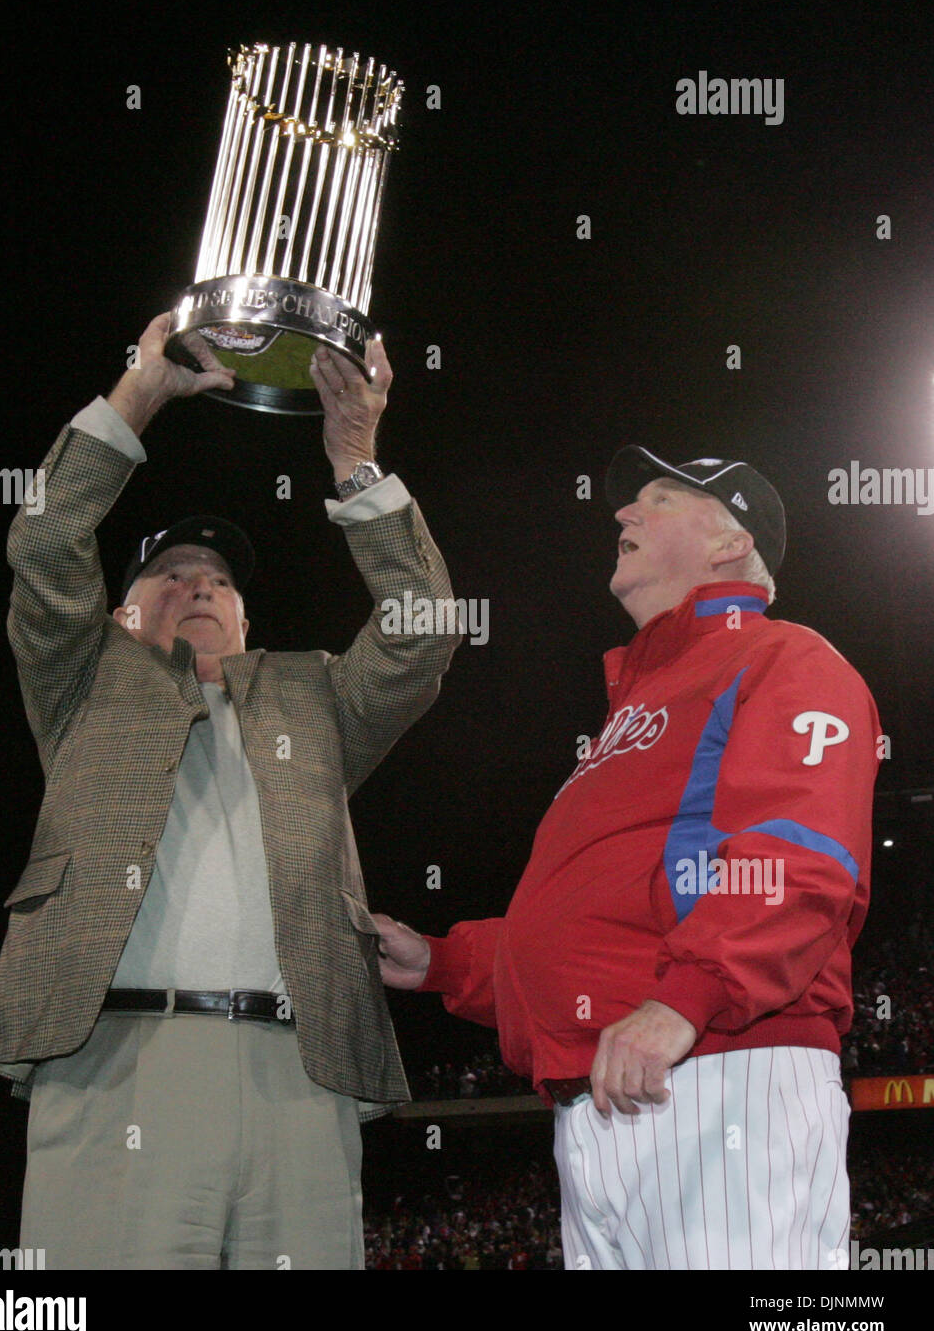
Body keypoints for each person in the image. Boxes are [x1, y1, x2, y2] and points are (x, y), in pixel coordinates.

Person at [0, 313, 461, 1269]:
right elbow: (45, 543)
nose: (196, 583)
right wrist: (139, 396)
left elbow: (421, 634)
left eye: (217, 580)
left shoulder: (313, 692)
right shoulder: (83, 677)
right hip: (116, 1060)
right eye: (167, 573)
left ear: (245, 616)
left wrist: (354, 456)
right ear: (119, 612)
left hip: (303, 1070)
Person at [375, 447, 879, 1270]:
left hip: (716, 1068)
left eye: (660, 499)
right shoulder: (632, 705)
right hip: (605, 1091)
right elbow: (601, 916)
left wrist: (685, 999)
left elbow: (796, 856)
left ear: (727, 545)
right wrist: (442, 961)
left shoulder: (785, 658)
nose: (622, 515)